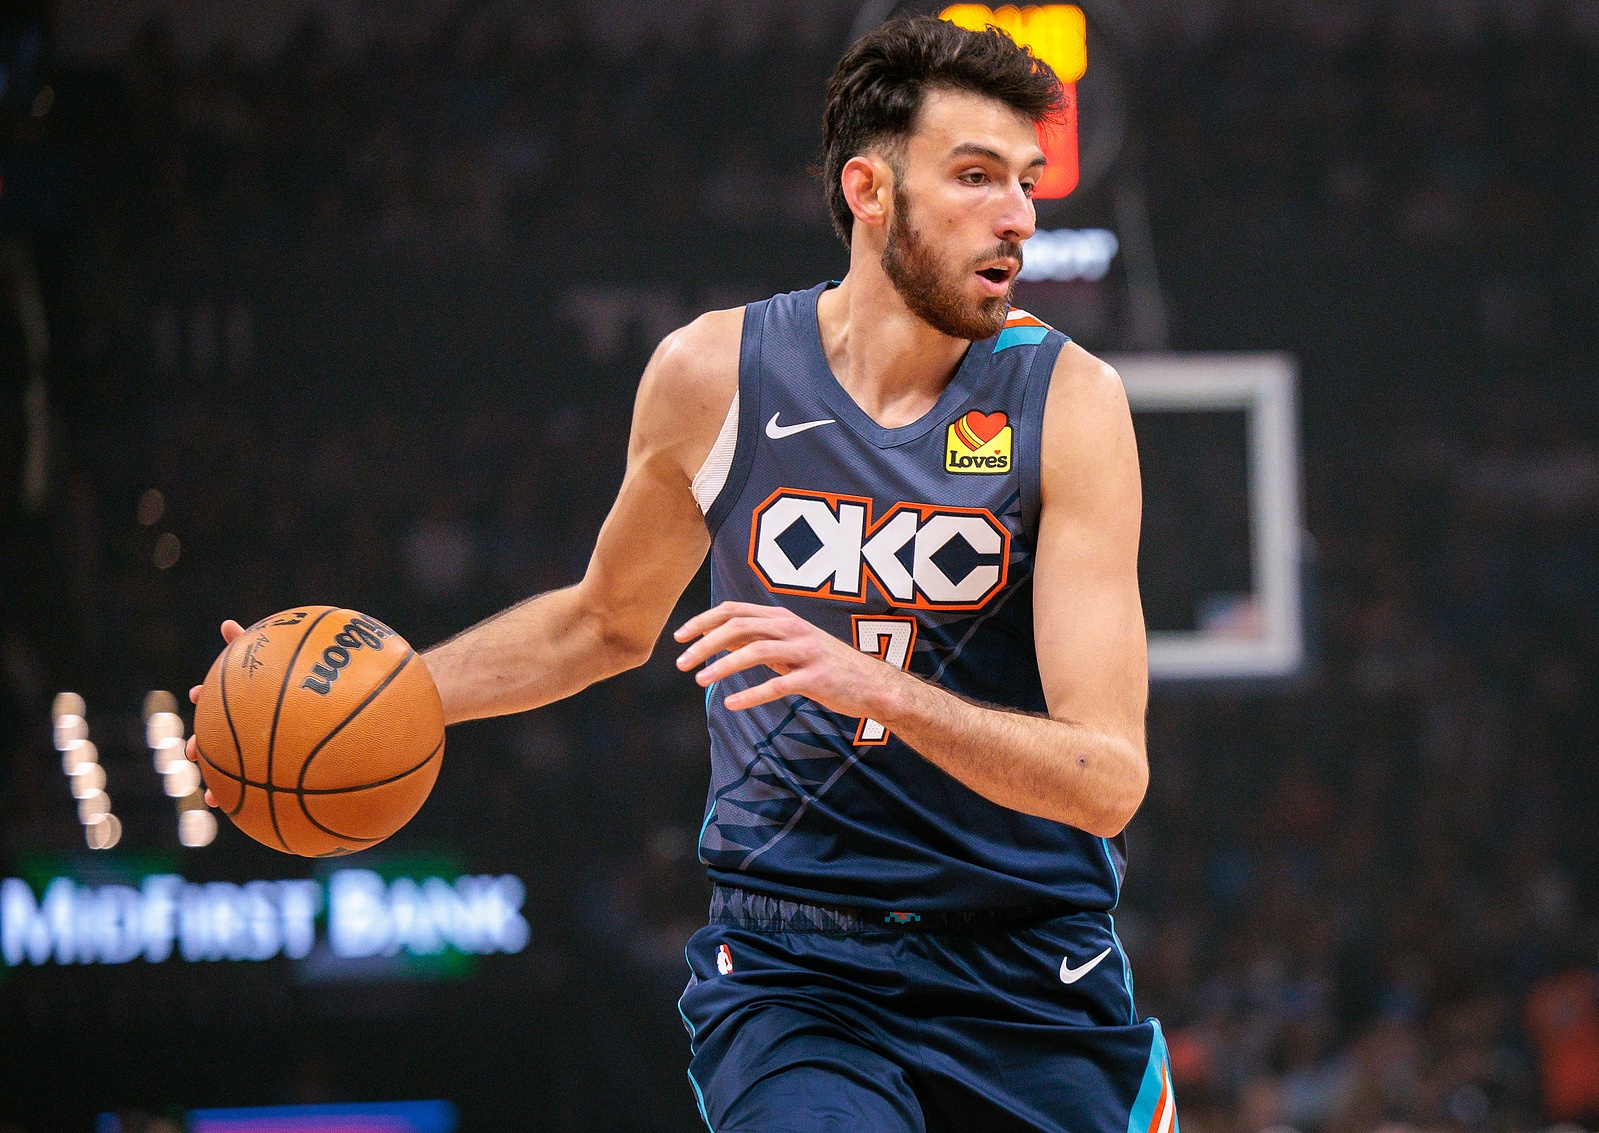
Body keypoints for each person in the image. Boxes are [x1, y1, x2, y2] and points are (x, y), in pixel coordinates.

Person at [189, 15, 1167, 1133]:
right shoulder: (716, 373)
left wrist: (876, 687)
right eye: (977, 176)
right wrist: (370, 694)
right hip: (799, 968)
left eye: (1026, 183)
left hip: (1030, 965)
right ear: (869, 190)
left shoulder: (1069, 403)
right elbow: (602, 623)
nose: (1018, 216)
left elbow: (1106, 778)